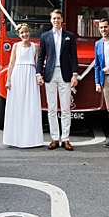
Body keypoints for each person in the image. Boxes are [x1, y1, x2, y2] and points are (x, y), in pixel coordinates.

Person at [36, 9, 79, 151]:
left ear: (62, 20)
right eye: (54, 18)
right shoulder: (45, 36)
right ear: (51, 20)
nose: (56, 21)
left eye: (58, 18)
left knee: (66, 108)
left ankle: (65, 138)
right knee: (52, 108)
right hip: (50, 74)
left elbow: (74, 56)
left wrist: (75, 74)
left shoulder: (69, 36)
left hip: (65, 74)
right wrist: (38, 74)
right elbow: (41, 57)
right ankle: (54, 138)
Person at [4, 23, 44, 148]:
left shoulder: (35, 47)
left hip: (30, 75)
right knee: (18, 104)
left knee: (31, 104)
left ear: (29, 33)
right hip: (18, 75)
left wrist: (39, 76)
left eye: (26, 32)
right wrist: (8, 80)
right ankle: (15, 138)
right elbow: (11, 63)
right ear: (19, 35)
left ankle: (31, 138)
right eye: (22, 33)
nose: (24, 34)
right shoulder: (16, 46)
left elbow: (37, 64)